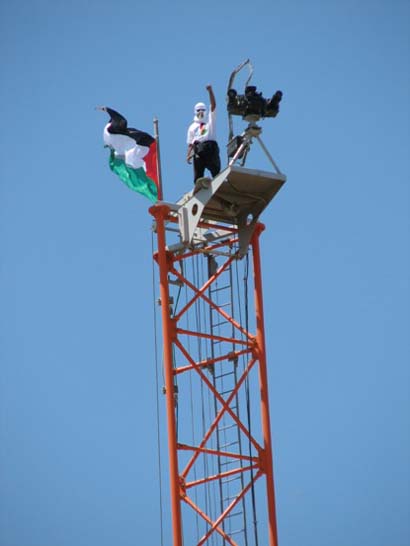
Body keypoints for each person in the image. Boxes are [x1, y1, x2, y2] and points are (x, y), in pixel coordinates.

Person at [186, 84, 221, 184]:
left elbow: (213, 105)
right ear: (195, 112)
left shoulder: (210, 119)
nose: (201, 112)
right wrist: (188, 155)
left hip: (210, 147)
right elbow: (190, 143)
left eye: (203, 110)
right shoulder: (192, 126)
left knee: (215, 170)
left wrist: (210, 91)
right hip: (198, 149)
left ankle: (217, 181)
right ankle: (199, 185)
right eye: (198, 110)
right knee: (198, 171)